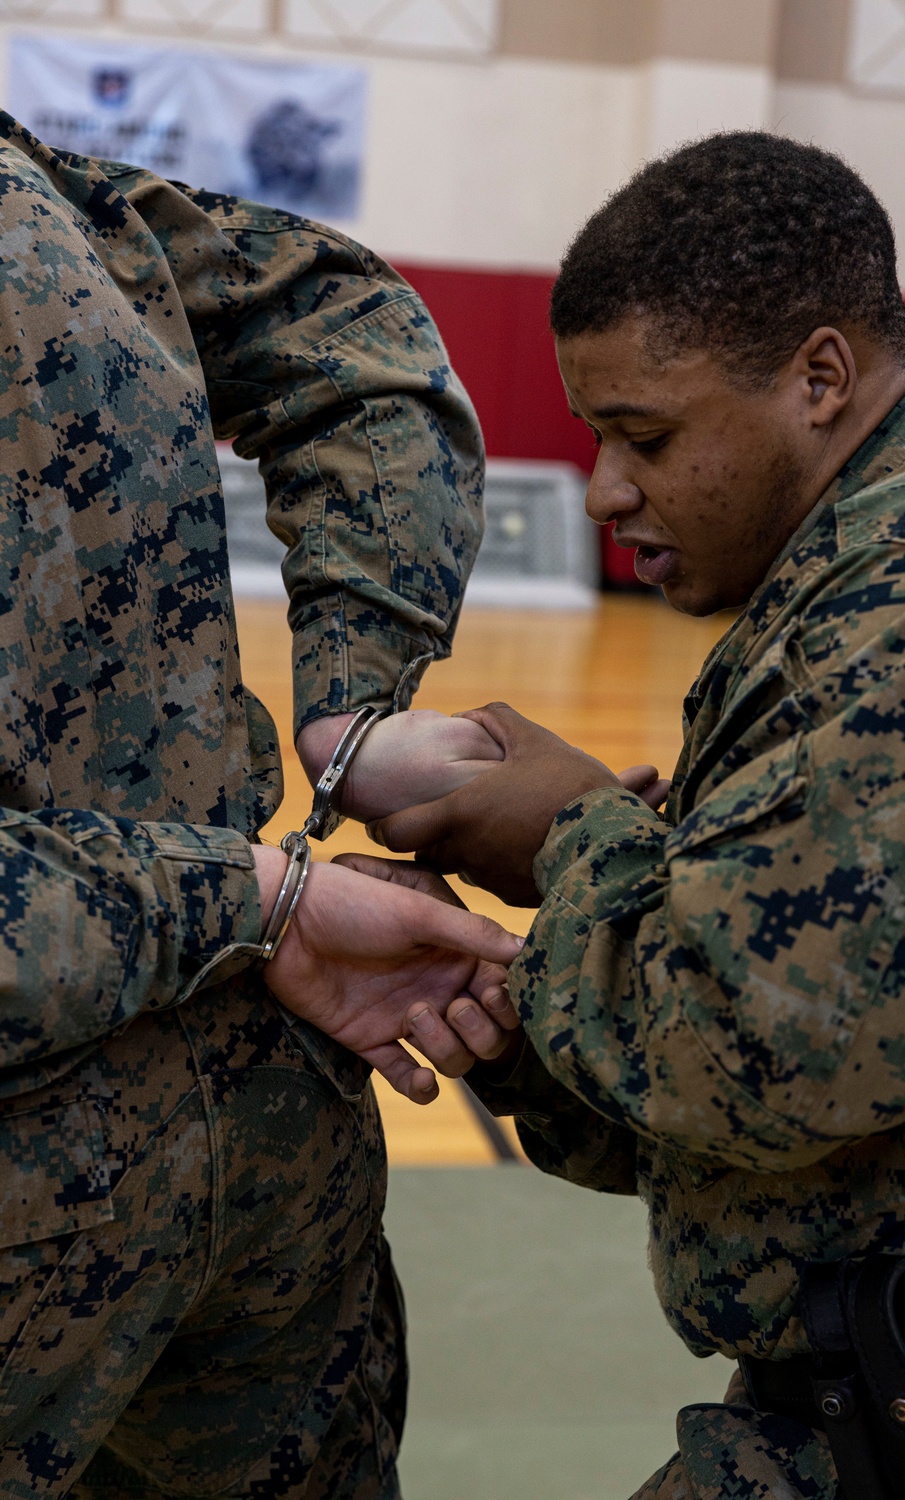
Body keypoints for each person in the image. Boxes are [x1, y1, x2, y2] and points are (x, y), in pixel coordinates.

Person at [371, 132, 905, 1499]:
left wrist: (573, 837)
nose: (601, 488)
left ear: (819, 379)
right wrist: (495, 988)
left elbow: (748, 1058)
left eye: (644, 436)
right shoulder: (852, 584)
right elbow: (743, 1101)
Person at [0, 113, 523, 1499]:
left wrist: (270, 876)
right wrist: (347, 708)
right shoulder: (46, 198)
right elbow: (356, 333)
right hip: (266, 1087)